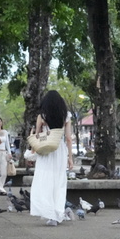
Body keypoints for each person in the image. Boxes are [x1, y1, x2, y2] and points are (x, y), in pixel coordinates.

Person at [29, 91, 73, 226]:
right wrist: (70, 157)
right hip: (59, 150)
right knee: (59, 182)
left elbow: (37, 136)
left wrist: (32, 153)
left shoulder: (42, 116)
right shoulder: (66, 116)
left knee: (45, 181)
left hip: (45, 151)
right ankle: (58, 212)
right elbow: (68, 138)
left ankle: (49, 214)